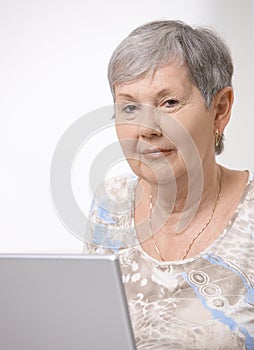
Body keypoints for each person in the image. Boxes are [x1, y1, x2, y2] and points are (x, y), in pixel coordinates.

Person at [83, 20, 254, 349]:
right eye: (130, 107)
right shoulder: (111, 203)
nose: (146, 128)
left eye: (169, 103)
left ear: (220, 110)